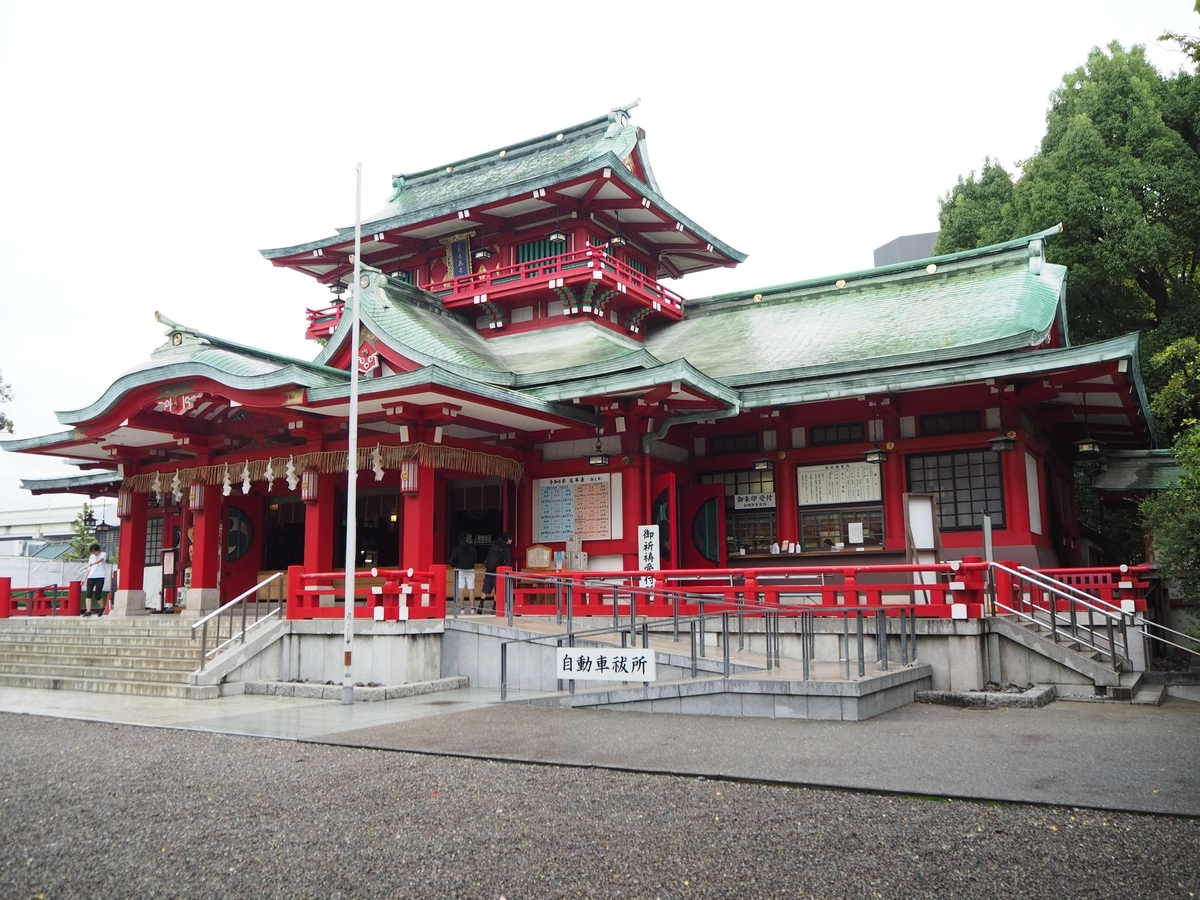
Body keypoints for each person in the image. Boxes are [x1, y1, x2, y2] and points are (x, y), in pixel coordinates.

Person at [478, 532, 513, 614]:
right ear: (508, 539)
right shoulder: (506, 549)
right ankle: (494, 608)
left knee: (485, 590)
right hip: (498, 572)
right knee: (497, 591)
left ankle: (480, 607)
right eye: (511, 539)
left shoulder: (493, 547)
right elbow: (507, 563)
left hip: (489, 571)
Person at [447, 532, 477, 616]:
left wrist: (453, 565)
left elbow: (452, 559)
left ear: (459, 539)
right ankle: (472, 608)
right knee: (471, 589)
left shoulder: (457, 548)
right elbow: (475, 558)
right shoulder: (471, 548)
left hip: (460, 569)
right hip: (470, 569)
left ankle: (462, 609)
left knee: (461, 589)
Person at [83, 543, 110, 617]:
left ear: (98, 550)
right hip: (91, 577)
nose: (94, 553)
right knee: (88, 594)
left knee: (97, 595)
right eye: (92, 552)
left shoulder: (103, 554)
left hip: (100, 576)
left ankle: (102, 608)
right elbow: (89, 568)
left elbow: (100, 560)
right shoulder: (92, 557)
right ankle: (88, 611)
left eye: (95, 552)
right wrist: (84, 578)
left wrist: (91, 564)